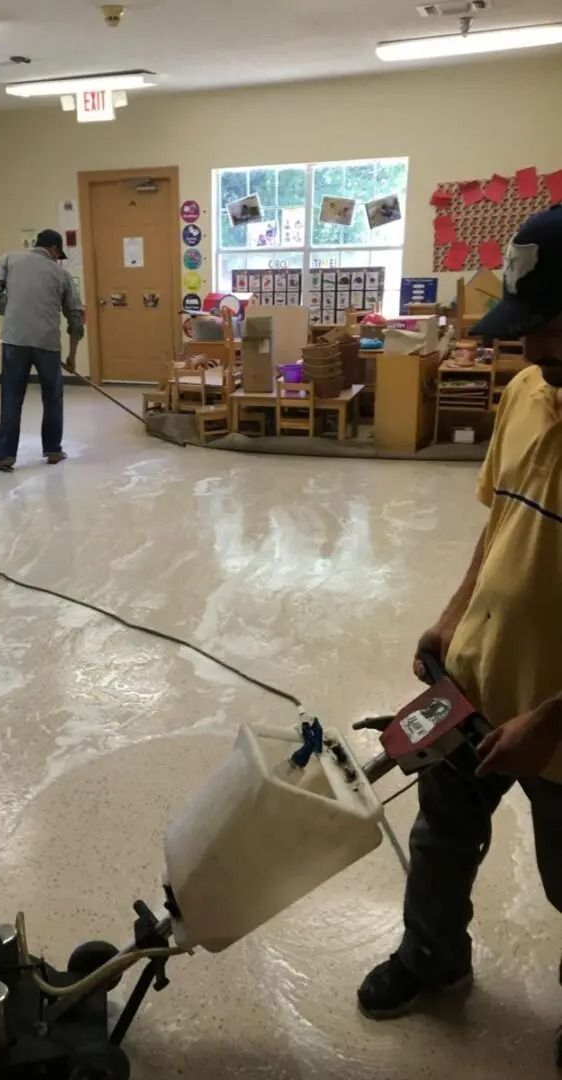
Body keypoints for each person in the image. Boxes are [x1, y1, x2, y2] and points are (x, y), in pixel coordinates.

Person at [358, 205, 562, 1053]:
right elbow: (499, 526)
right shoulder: (524, 393)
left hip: (557, 714)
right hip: (478, 681)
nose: (535, 351)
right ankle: (433, 956)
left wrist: (551, 720)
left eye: (550, 327)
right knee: (441, 836)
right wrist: (451, 623)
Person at [0, 229, 84, 470]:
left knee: (11, 397)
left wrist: (4, 310)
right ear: (53, 249)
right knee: (52, 398)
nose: (56, 258)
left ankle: (5, 456)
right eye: (57, 254)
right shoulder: (61, 275)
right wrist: (72, 356)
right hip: (47, 344)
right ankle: (52, 450)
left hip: (14, 341)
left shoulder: (9, 259)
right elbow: (75, 318)